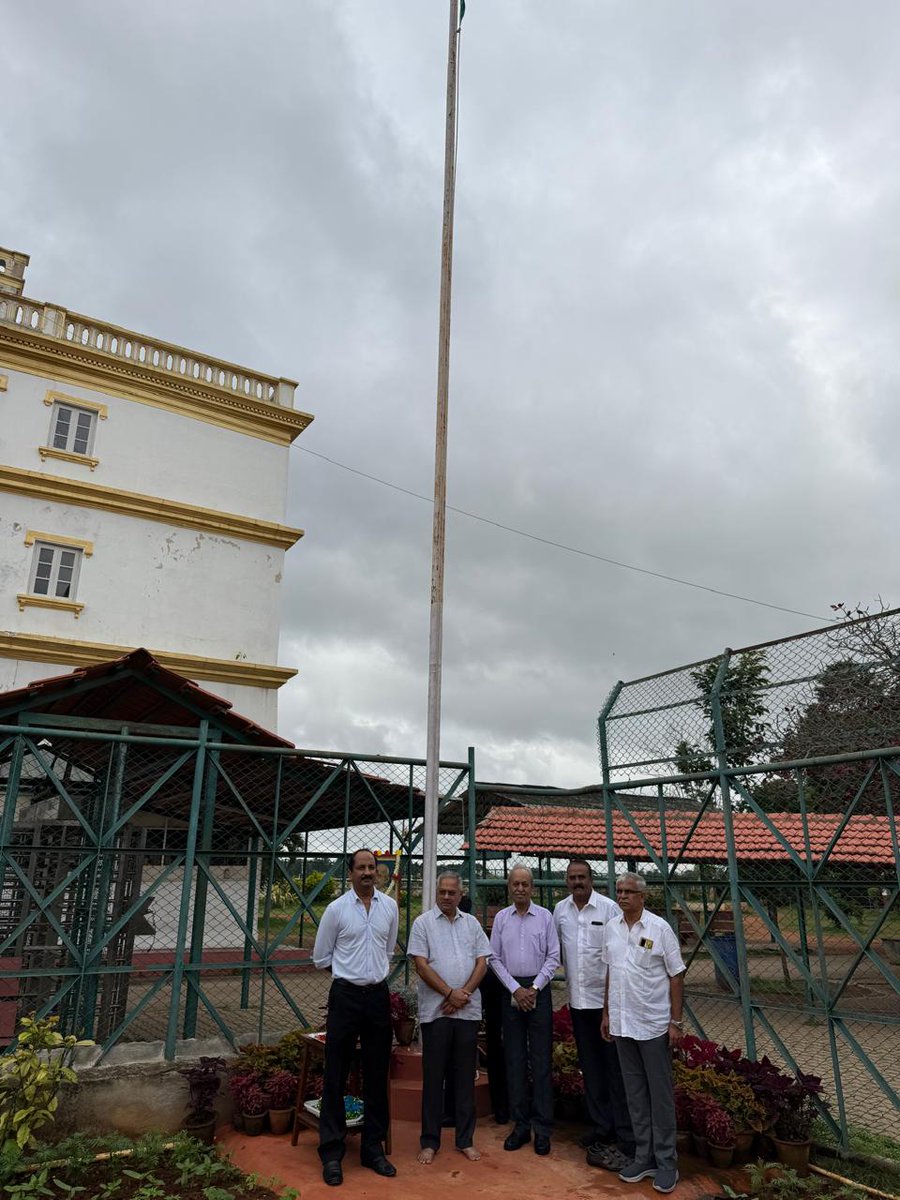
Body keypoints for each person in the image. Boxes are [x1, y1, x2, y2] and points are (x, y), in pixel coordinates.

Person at [312, 849, 399, 1186]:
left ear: (378, 872)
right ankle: (332, 1153)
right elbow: (321, 957)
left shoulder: (389, 908)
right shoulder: (336, 910)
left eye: (371, 868)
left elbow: (388, 949)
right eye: (361, 868)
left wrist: (369, 975)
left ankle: (372, 1149)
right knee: (336, 1071)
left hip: (378, 996)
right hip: (345, 996)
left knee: (377, 1073)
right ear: (350, 874)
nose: (367, 873)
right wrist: (349, 975)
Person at [601, 872, 686, 1195]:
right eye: (619, 891)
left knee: (660, 1095)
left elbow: (676, 976)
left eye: (628, 892)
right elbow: (612, 970)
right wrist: (607, 1013)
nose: (622, 896)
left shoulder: (659, 929)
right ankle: (644, 1157)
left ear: (642, 897)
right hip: (623, 1024)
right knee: (635, 1093)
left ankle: (667, 1163)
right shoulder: (612, 928)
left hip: (652, 1025)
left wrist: (675, 1022)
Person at [553, 857, 634, 1171]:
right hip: (578, 1003)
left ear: (591, 878)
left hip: (607, 1006)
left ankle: (621, 1131)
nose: (577, 882)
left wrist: (611, 1007)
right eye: (572, 877)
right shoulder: (560, 911)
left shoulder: (609, 909)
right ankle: (601, 1128)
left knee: (614, 1069)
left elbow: (619, 956)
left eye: (582, 877)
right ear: (566, 881)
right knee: (591, 1068)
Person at [409, 871, 491, 1164]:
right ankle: (430, 1141)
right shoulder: (423, 924)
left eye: (451, 892)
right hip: (436, 1013)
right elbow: (420, 964)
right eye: (442, 891)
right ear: (436, 894)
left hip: (467, 1012)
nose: (446, 896)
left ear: (460, 895)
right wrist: (448, 993)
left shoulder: (472, 924)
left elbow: (483, 961)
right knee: (433, 1078)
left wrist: (463, 994)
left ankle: (465, 1139)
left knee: (464, 1078)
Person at [489, 863, 560, 1156]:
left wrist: (534, 988)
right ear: (510, 887)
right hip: (511, 991)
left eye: (525, 884)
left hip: (538, 991)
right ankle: (520, 1126)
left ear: (532, 887)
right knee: (514, 1060)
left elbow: (554, 956)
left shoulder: (545, 918)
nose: (520, 888)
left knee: (541, 1062)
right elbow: (493, 958)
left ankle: (542, 1129)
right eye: (515, 884)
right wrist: (515, 989)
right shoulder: (501, 920)